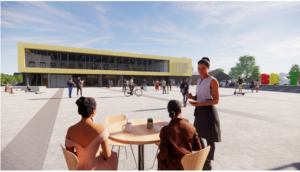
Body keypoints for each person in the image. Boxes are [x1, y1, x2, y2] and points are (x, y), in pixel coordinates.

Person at [186, 57, 221, 170]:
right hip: (199, 111)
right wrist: (192, 97)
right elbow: (199, 96)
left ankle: (208, 163)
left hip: (209, 112)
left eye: (203, 68)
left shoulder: (212, 80)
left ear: (208, 68)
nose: (200, 71)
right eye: (199, 68)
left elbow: (216, 100)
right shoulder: (199, 80)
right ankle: (203, 156)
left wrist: (201, 104)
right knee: (196, 135)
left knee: (210, 138)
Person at [65, 97, 118, 170]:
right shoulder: (101, 128)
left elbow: (70, 156)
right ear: (94, 111)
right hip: (96, 167)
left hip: (78, 168)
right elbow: (107, 155)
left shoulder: (70, 130)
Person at [157, 100, 201, 170]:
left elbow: (164, 155)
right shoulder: (191, 127)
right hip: (188, 165)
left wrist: (161, 145)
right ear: (181, 111)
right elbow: (198, 147)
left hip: (172, 167)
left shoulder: (165, 130)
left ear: (168, 111)